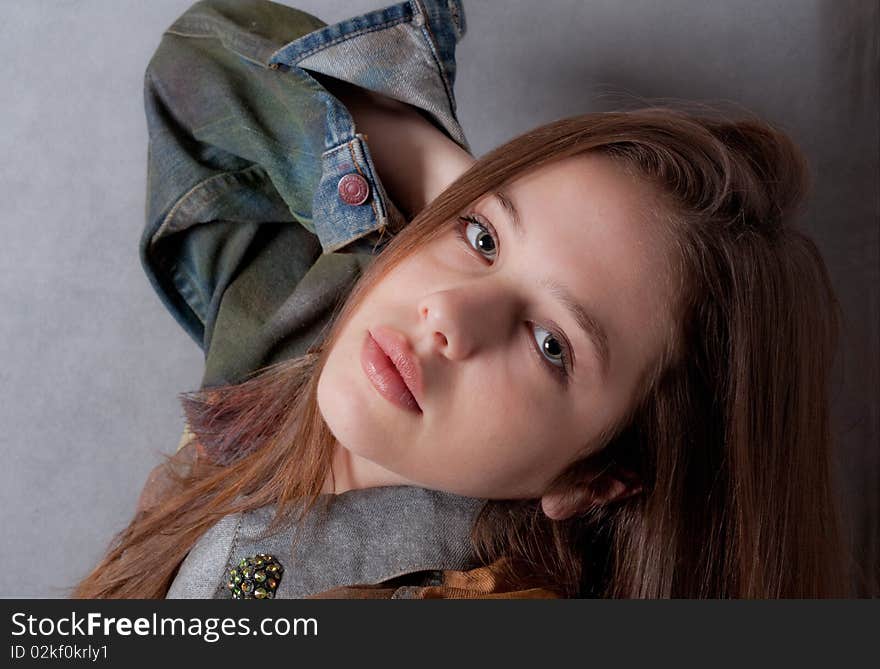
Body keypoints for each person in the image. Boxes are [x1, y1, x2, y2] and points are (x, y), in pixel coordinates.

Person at [71, 0, 850, 598]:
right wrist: (452, 191)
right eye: (480, 239)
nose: (446, 315)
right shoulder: (300, 335)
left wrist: (482, 221)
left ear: (596, 480)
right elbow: (200, 64)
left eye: (551, 344)